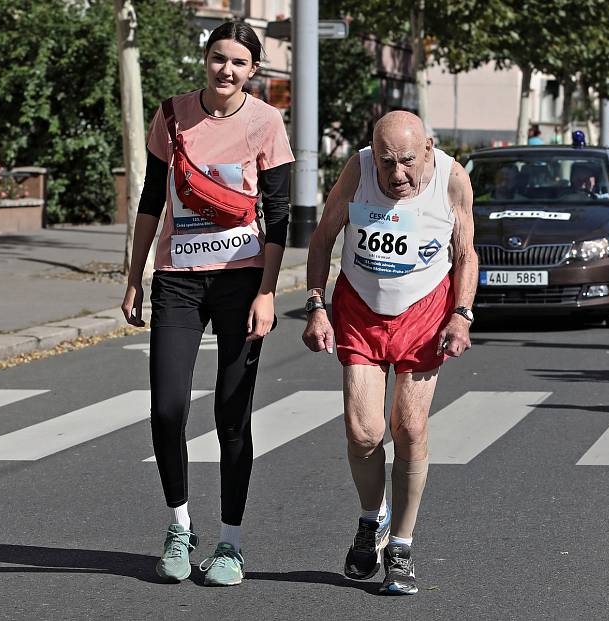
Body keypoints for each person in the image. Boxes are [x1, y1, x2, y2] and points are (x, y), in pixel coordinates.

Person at [120, 21, 294, 587]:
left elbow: (279, 215)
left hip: (240, 282)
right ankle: (178, 526)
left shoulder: (267, 122)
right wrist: (135, 275)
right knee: (167, 408)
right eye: (219, 58)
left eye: (238, 63)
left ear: (253, 70)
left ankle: (230, 541)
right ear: (206, 59)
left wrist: (267, 293)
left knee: (231, 413)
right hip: (178, 280)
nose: (227, 70)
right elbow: (151, 199)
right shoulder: (172, 115)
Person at [302, 111, 477, 595]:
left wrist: (461, 315)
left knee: (410, 427)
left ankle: (400, 545)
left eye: (406, 162)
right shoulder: (357, 172)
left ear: (428, 149)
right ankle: (370, 517)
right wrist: (317, 306)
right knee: (363, 433)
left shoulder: (451, 177)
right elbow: (322, 239)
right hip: (360, 304)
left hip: (424, 309)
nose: (397, 175)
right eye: (386, 164)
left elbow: (466, 253)